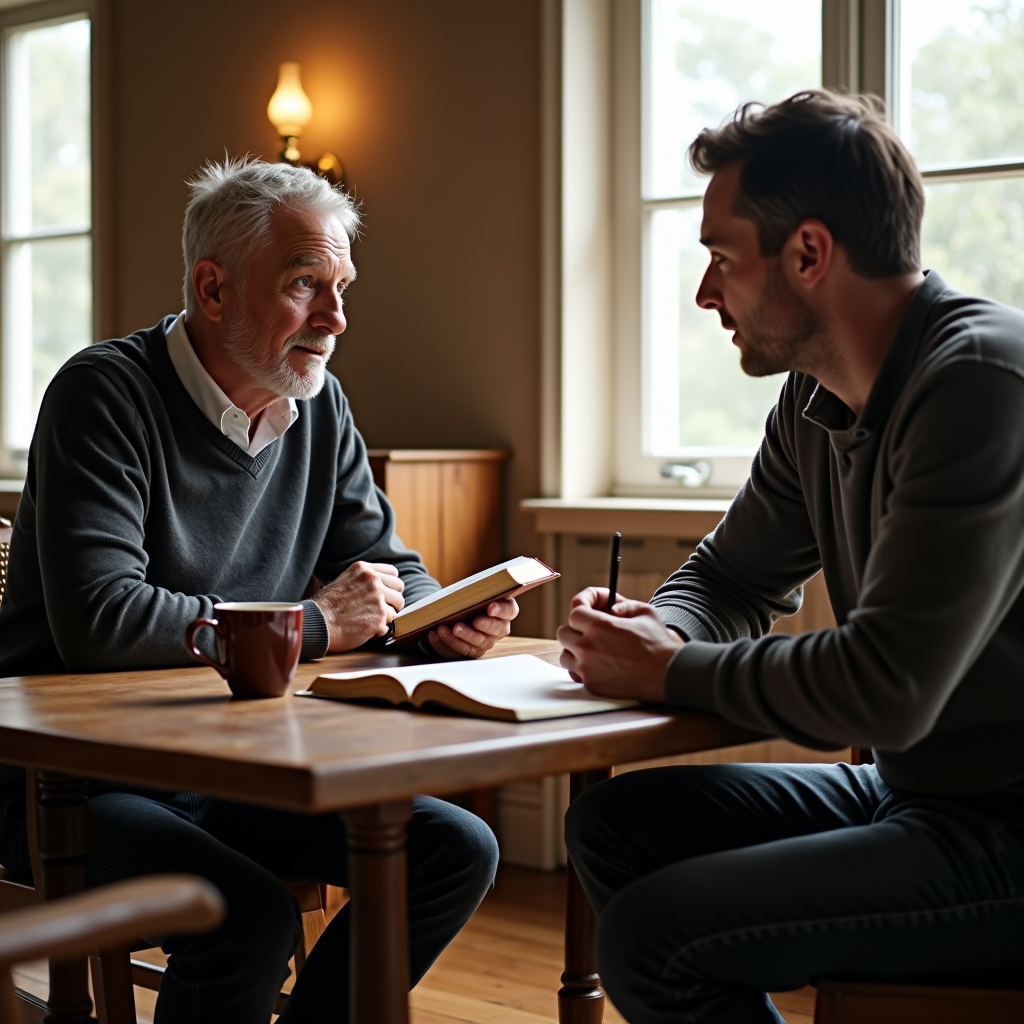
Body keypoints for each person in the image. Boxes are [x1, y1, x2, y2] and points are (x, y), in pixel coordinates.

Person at [0, 157, 519, 1022]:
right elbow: (102, 621)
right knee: (246, 917)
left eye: (342, 286)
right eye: (306, 284)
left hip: (229, 763)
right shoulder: (104, 394)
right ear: (212, 288)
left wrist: (438, 619)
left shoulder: (319, 405)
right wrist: (315, 624)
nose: (337, 317)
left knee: (456, 847)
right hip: (65, 780)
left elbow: (388, 563)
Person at [557, 91, 1024, 1024]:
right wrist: (660, 629)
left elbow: (886, 684)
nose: (703, 294)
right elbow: (730, 576)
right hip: (917, 793)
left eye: (721, 260)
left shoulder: (980, 381)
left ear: (808, 254)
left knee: (654, 936)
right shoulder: (812, 401)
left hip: (1009, 829)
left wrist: (673, 671)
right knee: (612, 828)